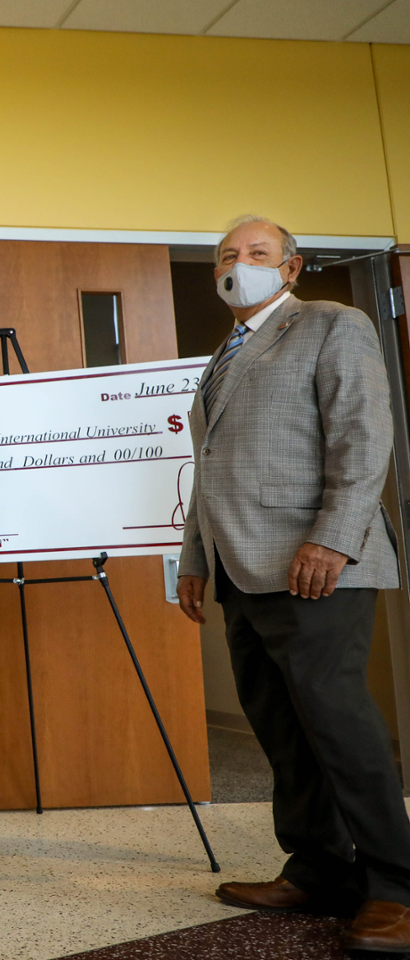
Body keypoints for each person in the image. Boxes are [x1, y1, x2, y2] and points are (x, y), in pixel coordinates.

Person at [176, 216, 410, 951]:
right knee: (280, 727)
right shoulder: (222, 353)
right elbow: (207, 469)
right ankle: (315, 869)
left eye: (255, 254)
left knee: (339, 727)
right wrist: (192, 560)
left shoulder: (329, 325)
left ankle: (395, 886)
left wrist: (331, 539)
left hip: (317, 566)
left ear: (291, 268)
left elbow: (363, 436)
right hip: (241, 570)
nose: (235, 265)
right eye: (225, 257)